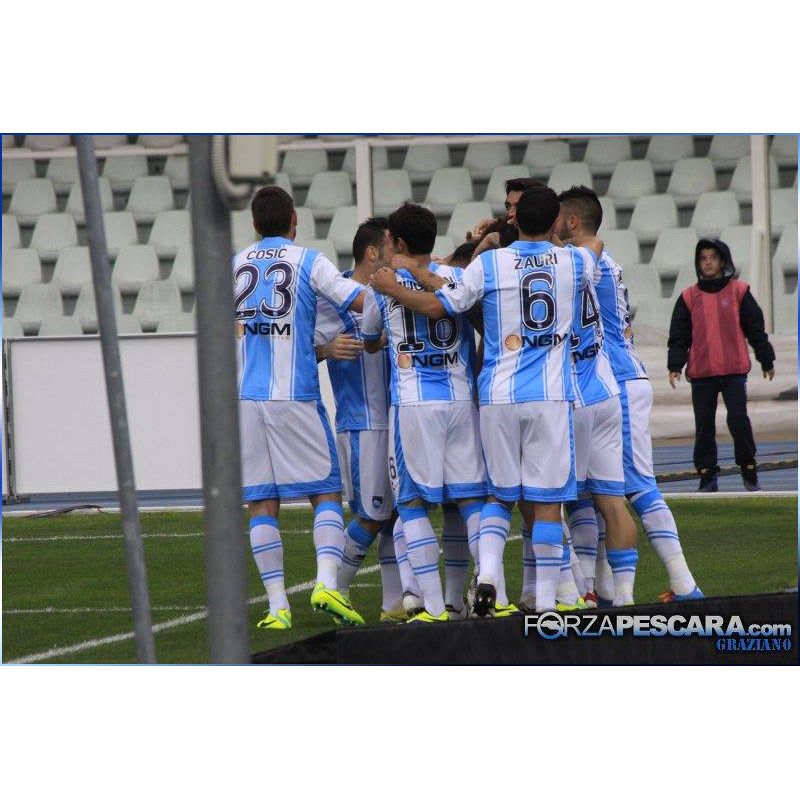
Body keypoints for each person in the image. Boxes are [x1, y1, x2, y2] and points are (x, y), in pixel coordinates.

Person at [371, 186, 603, 614]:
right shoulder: (576, 261)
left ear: (516, 219)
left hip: (496, 394)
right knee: (546, 502)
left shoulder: (489, 264)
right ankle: (547, 603)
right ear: (555, 222)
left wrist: (403, 276)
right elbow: (595, 246)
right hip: (550, 396)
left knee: (497, 497)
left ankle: (489, 578)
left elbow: (445, 302)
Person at [558, 185, 703, 603]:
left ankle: (684, 584)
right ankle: (599, 591)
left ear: (572, 222)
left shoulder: (587, 261)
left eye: (558, 217)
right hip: (609, 380)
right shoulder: (601, 261)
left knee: (635, 486)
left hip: (616, 382)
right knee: (594, 491)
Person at [235, 185, 367, 631]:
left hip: (247, 400)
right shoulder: (308, 261)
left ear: (254, 225)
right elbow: (356, 299)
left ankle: (277, 607)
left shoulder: (235, 264)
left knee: (261, 501)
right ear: (295, 220)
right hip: (295, 395)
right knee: (326, 492)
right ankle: (326, 582)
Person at [361, 203, 488, 622]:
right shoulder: (455, 278)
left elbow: (370, 338)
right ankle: (488, 589)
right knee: (470, 500)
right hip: (460, 399)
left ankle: (432, 608)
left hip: (414, 403)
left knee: (413, 504)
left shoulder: (383, 284)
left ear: (398, 242)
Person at [314, 217, 411, 623]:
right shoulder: (330, 298)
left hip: (396, 419)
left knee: (395, 516)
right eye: (392, 249)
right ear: (373, 253)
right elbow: (300, 350)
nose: (398, 255)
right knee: (372, 516)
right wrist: (325, 350)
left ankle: (392, 605)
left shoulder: (393, 290)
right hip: (362, 423)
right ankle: (332, 588)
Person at [547, 189, 640, 609]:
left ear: (569, 221)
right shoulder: (590, 259)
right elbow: (594, 242)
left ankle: (575, 591)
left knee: (550, 501)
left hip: (572, 396)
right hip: (605, 389)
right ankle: (624, 599)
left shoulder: (553, 264)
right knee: (611, 502)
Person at [667, 238, 775, 492]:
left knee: (738, 420)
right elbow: (679, 336)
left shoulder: (739, 292)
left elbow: (755, 329)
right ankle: (707, 477)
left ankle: (749, 469)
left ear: (723, 262)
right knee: (704, 426)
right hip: (702, 373)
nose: (708, 262)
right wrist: (675, 365)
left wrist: (766, 359)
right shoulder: (688, 297)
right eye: (703, 258)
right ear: (698, 263)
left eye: (713, 258)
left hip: (733, 371)